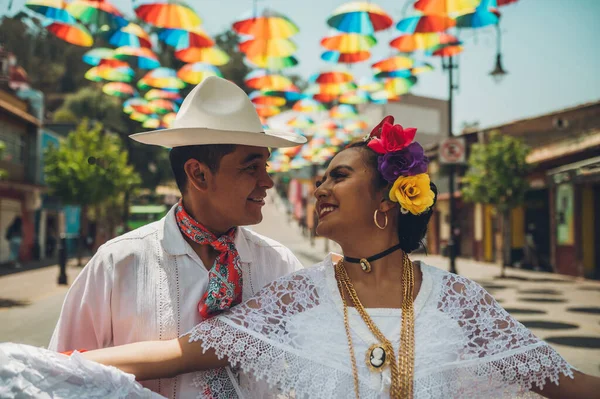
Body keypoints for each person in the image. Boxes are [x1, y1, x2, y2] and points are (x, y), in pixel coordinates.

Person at [3, 116, 600, 398]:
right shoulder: (299, 291)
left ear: (389, 202)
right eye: (253, 166)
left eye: (337, 175)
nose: (311, 188)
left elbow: (567, 383)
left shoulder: (462, 302)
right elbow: (178, 354)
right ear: (196, 172)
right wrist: (32, 366)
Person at [46, 76, 307, 398]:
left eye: (265, 166)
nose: (267, 181)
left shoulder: (280, 265)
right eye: (251, 168)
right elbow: (62, 375)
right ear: (198, 174)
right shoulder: (119, 262)